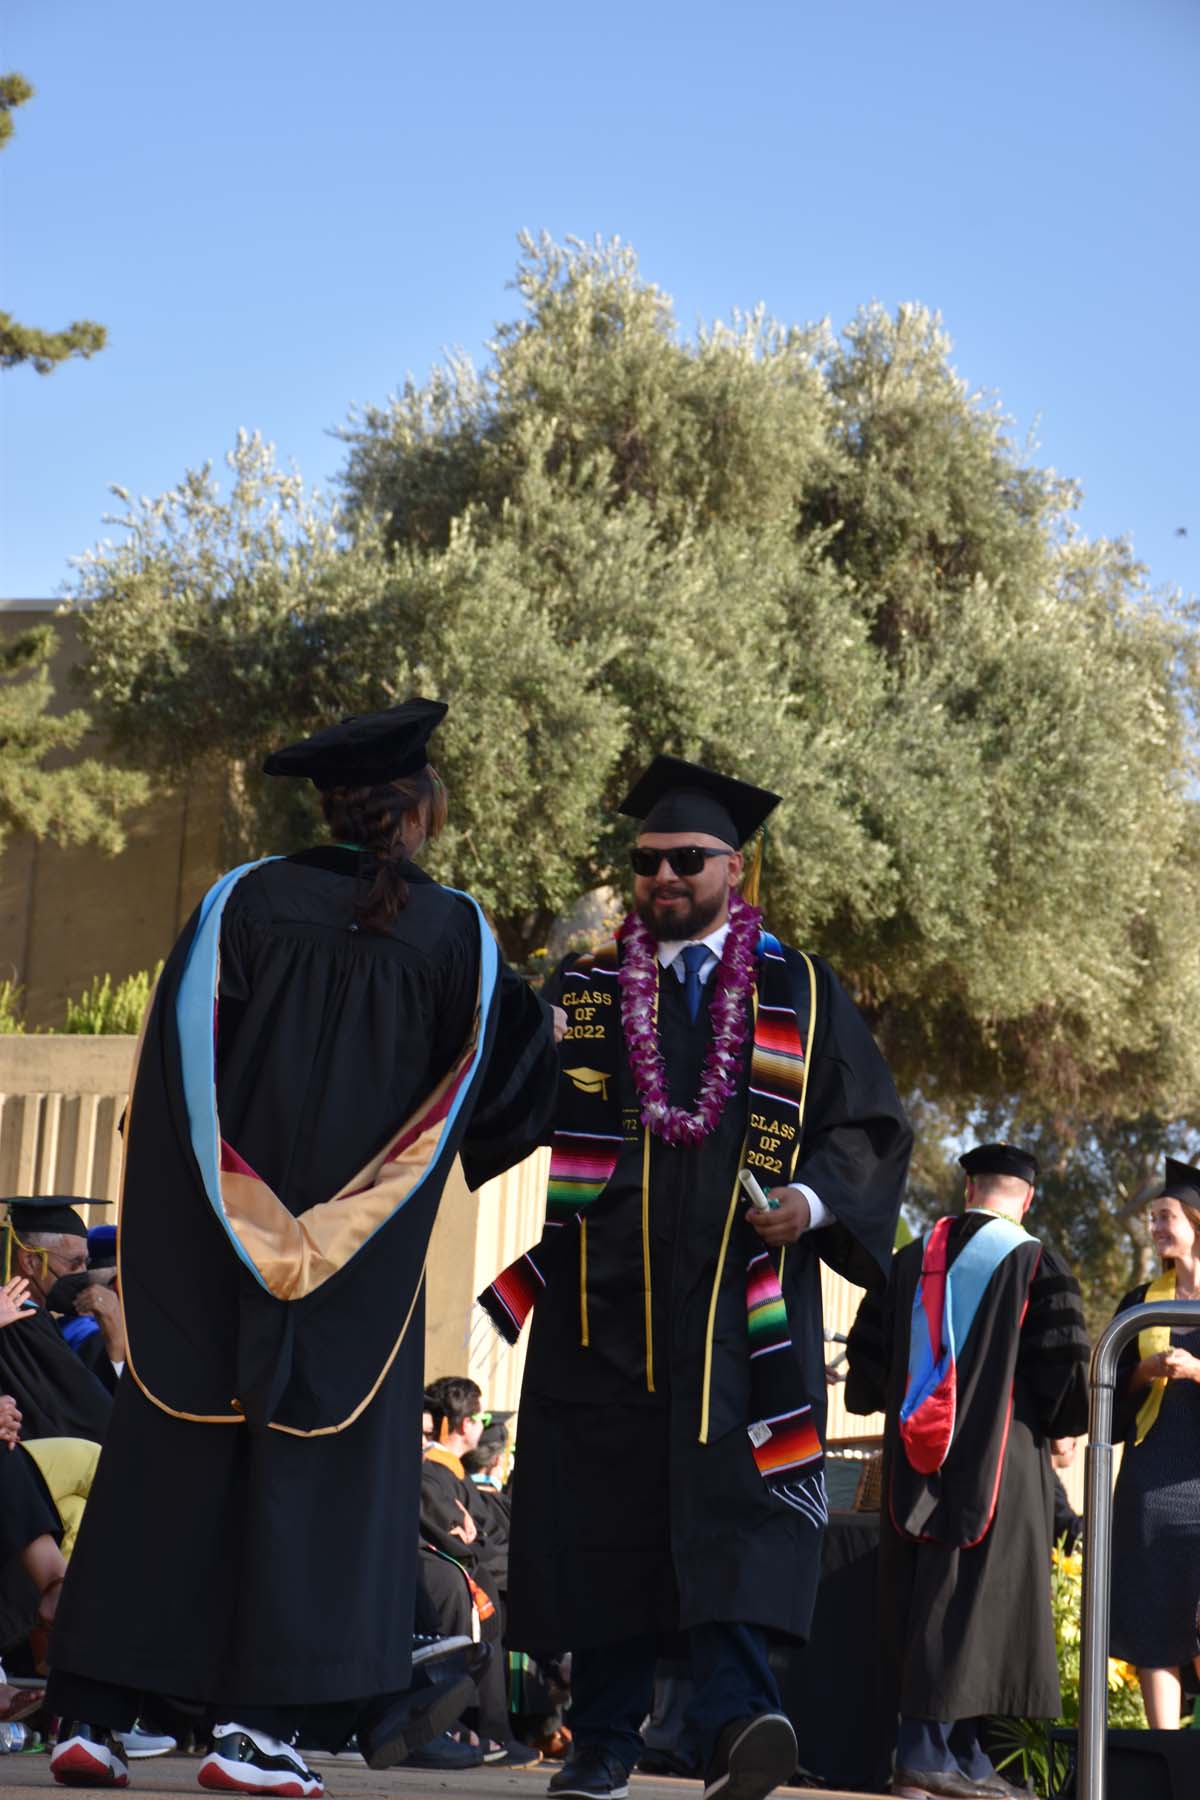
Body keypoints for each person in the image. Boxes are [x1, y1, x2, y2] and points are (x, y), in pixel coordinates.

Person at [44, 699, 562, 1795]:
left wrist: (215, 1225)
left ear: (327, 806)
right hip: (354, 1276)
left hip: (211, 1256)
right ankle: (254, 1735)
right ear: (419, 816)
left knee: (171, 1474)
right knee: (310, 1491)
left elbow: (174, 1082)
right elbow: (495, 1095)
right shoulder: (455, 934)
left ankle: (88, 1717)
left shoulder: (240, 900)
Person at [481, 755, 911, 1800]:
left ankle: (735, 1732)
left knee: (740, 1508)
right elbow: (510, 1095)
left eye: (686, 859)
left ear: (734, 866)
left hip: (742, 1309)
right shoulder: (583, 993)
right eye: (646, 863)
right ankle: (603, 1744)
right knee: (605, 1520)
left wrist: (808, 1205)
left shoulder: (798, 989)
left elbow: (863, 1127)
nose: (664, 877)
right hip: (603, 1310)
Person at [846, 1142, 1090, 1800]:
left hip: (911, 1462)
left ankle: (955, 1755)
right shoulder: (1039, 1263)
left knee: (920, 1594)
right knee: (977, 1602)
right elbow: (1063, 1372)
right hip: (1001, 1462)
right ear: (1027, 1198)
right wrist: (1066, 1424)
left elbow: (865, 1379)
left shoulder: (907, 1262)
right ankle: (930, 1753)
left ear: (968, 1190)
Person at [1109, 1157, 1200, 1729]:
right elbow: (1107, 1394)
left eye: (1166, 1216)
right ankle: (1167, 1760)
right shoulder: (1142, 1303)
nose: (1157, 1228)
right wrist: (1146, 1372)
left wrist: (1197, 1371)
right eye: (1153, 1219)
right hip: (1150, 1486)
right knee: (1156, 1630)